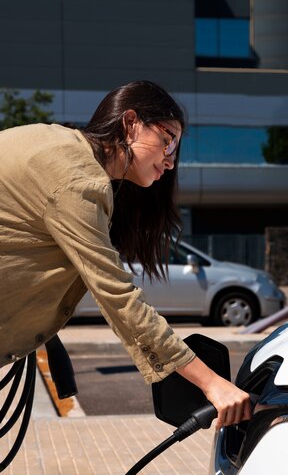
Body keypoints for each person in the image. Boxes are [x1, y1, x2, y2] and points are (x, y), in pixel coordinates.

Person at [0, 80, 251, 429]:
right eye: (168, 139)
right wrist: (212, 383)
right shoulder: (78, 181)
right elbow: (118, 297)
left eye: (176, 148)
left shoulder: (55, 141)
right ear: (130, 123)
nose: (171, 160)